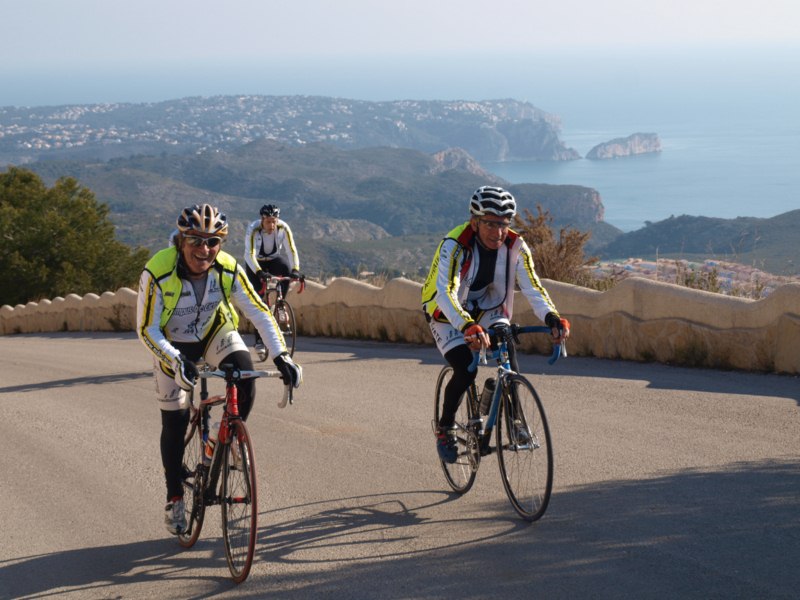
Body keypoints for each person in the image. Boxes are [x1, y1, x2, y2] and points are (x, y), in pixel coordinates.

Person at [137, 203, 303, 536]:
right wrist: (174, 360)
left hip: (215, 333)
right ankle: (174, 498)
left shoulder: (227, 268)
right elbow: (147, 329)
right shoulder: (158, 271)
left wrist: (281, 356)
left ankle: (223, 440)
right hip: (172, 344)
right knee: (175, 418)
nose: (205, 249)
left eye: (213, 242)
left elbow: (258, 313)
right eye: (196, 241)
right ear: (182, 241)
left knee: (244, 375)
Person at [421, 186, 570, 463]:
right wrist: (466, 327)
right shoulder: (454, 245)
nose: (497, 232)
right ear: (474, 222)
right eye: (490, 223)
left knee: (507, 343)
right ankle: (445, 428)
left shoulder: (516, 247)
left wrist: (551, 317)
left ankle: (517, 423)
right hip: (445, 312)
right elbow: (446, 292)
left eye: (503, 224)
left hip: (487, 306)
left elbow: (533, 287)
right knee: (466, 369)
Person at [244, 204, 303, 354]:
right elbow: (249, 255)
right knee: (259, 300)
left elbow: (291, 250)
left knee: (286, 268)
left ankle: (281, 303)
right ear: (262, 220)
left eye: (274, 221)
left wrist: (296, 269)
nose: (272, 225)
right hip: (256, 263)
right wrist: (258, 272)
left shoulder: (283, 228)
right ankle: (258, 340)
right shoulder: (253, 229)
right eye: (268, 222)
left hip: (273, 259)